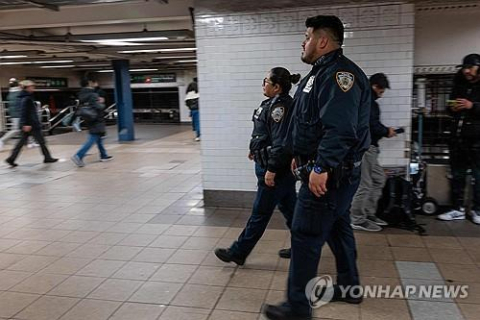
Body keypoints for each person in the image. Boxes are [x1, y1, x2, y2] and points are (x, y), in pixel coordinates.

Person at [263, 15, 371, 320]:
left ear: (322, 41)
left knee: (305, 235)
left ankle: (297, 307)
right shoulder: (318, 74)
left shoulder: (340, 75)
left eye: (307, 36)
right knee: (338, 229)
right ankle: (350, 288)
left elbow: (340, 129)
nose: (303, 41)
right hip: (329, 171)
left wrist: (321, 167)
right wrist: (299, 154)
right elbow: (310, 123)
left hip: (329, 176)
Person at [214, 67, 301, 265]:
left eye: (266, 81)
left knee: (260, 214)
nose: (263, 84)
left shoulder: (281, 107)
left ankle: (239, 252)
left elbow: (281, 143)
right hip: (275, 167)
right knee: (291, 210)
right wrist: (255, 149)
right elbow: (264, 133)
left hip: (275, 170)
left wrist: (271, 169)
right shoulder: (271, 103)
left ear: (277, 87)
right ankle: (303, 245)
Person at [350, 73, 396, 232]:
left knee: (379, 179)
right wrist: (386, 131)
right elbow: (371, 126)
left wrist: (385, 131)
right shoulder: (368, 101)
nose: (381, 95)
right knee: (365, 184)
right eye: (381, 91)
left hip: (371, 148)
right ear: (376, 86)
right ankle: (357, 219)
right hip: (365, 148)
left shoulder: (368, 101)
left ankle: (368, 213)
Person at [438, 53, 480, 225]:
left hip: (478, 140)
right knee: (457, 175)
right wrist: (451, 107)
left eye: (471, 68)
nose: (467, 71)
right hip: (458, 138)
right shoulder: (459, 84)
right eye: (465, 68)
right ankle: (458, 209)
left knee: (478, 176)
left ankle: (477, 210)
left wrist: (472, 106)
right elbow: (450, 105)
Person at [5, 80, 58, 167]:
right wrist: (25, 124)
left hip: (28, 124)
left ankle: (11, 159)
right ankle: (47, 158)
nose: (33, 88)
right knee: (41, 141)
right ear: (27, 87)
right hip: (31, 125)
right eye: (32, 86)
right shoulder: (26, 98)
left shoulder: (24, 97)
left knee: (21, 143)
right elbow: (23, 112)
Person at [71, 76, 112, 167]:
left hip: (88, 118)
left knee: (98, 137)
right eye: (94, 81)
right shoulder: (93, 94)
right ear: (90, 83)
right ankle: (79, 155)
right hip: (96, 118)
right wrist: (102, 103)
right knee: (93, 137)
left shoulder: (81, 94)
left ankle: (104, 155)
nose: (95, 83)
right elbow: (98, 107)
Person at [0, 78, 21, 150]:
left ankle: (31, 142)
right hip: (18, 114)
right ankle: (2, 140)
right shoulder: (18, 93)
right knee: (16, 130)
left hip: (14, 114)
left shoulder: (11, 93)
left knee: (27, 128)